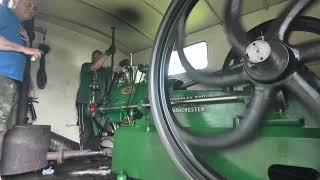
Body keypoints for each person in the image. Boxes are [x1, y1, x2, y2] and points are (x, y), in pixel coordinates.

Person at [0, 0, 42, 131]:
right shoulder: (3, 11)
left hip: (13, 82)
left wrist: (27, 45)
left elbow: (17, 52)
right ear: (15, 2)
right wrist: (25, 49)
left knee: (4, 131)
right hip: (2, 77)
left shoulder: (19, 26)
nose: (31, 9)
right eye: (28, 4)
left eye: (34, 8)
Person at [76, 48, 114, 150]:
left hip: (98, 105)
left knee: (97, 129)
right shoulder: (86, 66)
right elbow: (96, 66)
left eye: (101, 57)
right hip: (84, 102)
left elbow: (115, 74)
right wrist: (107, 53)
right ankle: (84, 155)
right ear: (93, 58)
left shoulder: (104, 71)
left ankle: (94, 153)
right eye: (99, 57)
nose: (101, 59)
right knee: (86, 129)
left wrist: (123, 66)